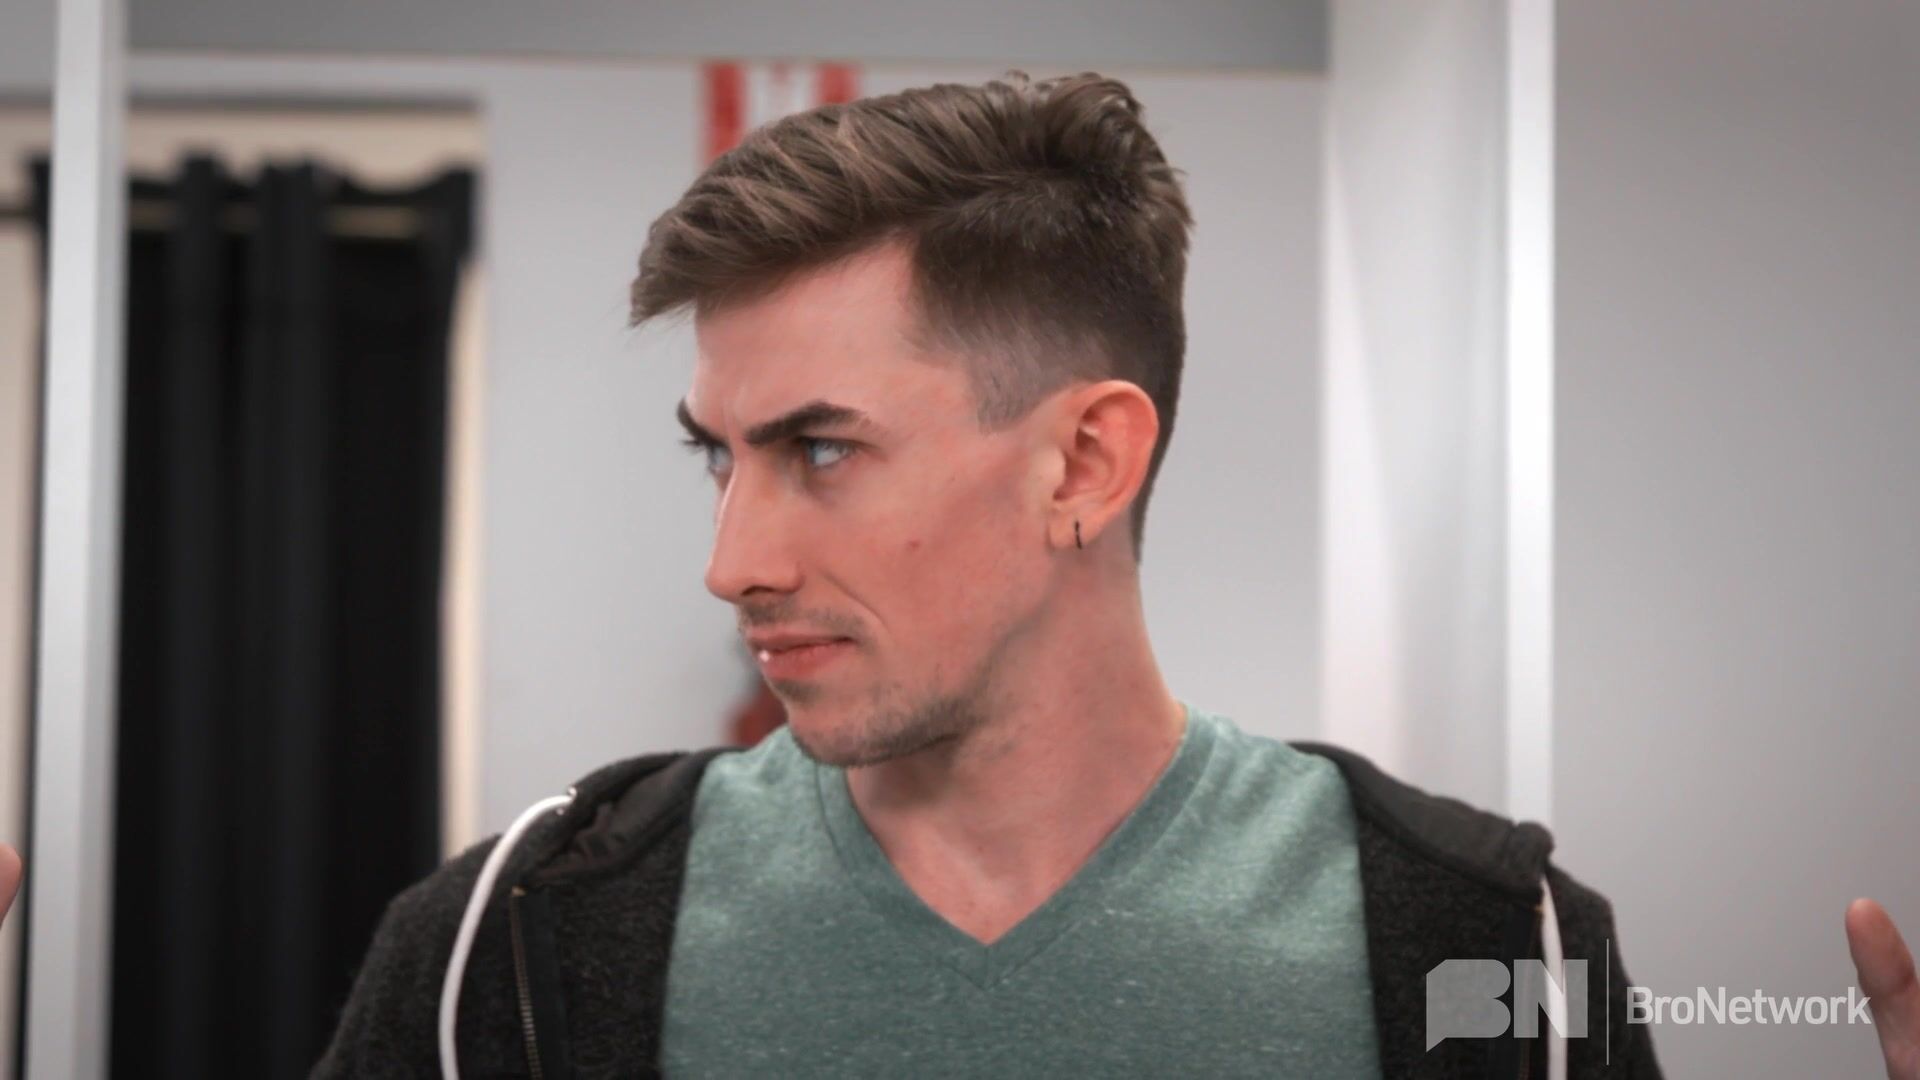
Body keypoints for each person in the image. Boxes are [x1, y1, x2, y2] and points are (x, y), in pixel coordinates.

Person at [308, 72, 1916, 1078]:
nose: (733, 564)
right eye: (717, 457)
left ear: (1084, 463)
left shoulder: (1491, 950)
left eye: (822, 450)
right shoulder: (509, 944)